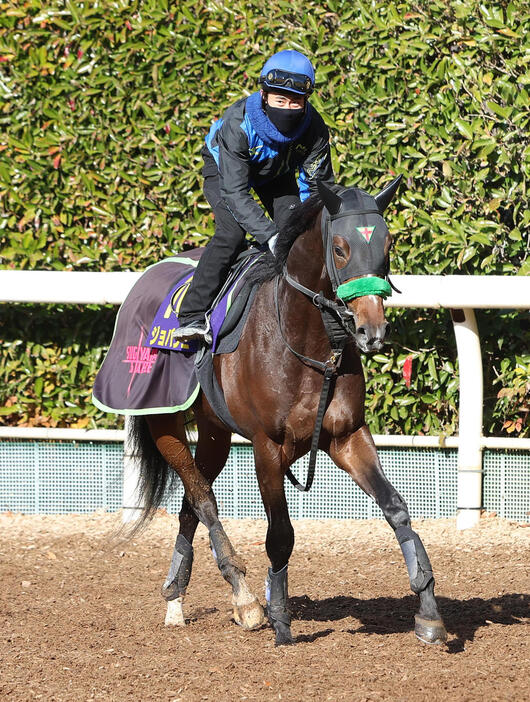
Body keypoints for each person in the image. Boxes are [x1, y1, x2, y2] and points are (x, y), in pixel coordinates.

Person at [175, 49, 335, 341]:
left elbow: (318, 188)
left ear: (306, 102)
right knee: (233, 233)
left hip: (275, 171)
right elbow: (236, 192)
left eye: (295, 102)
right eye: (280, 100)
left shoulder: (315, 129)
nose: (287, 108)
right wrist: (269, 235)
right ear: (264, 95)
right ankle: (191, 315)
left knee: (296, 234)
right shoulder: (238, 124)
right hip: (225, 169)